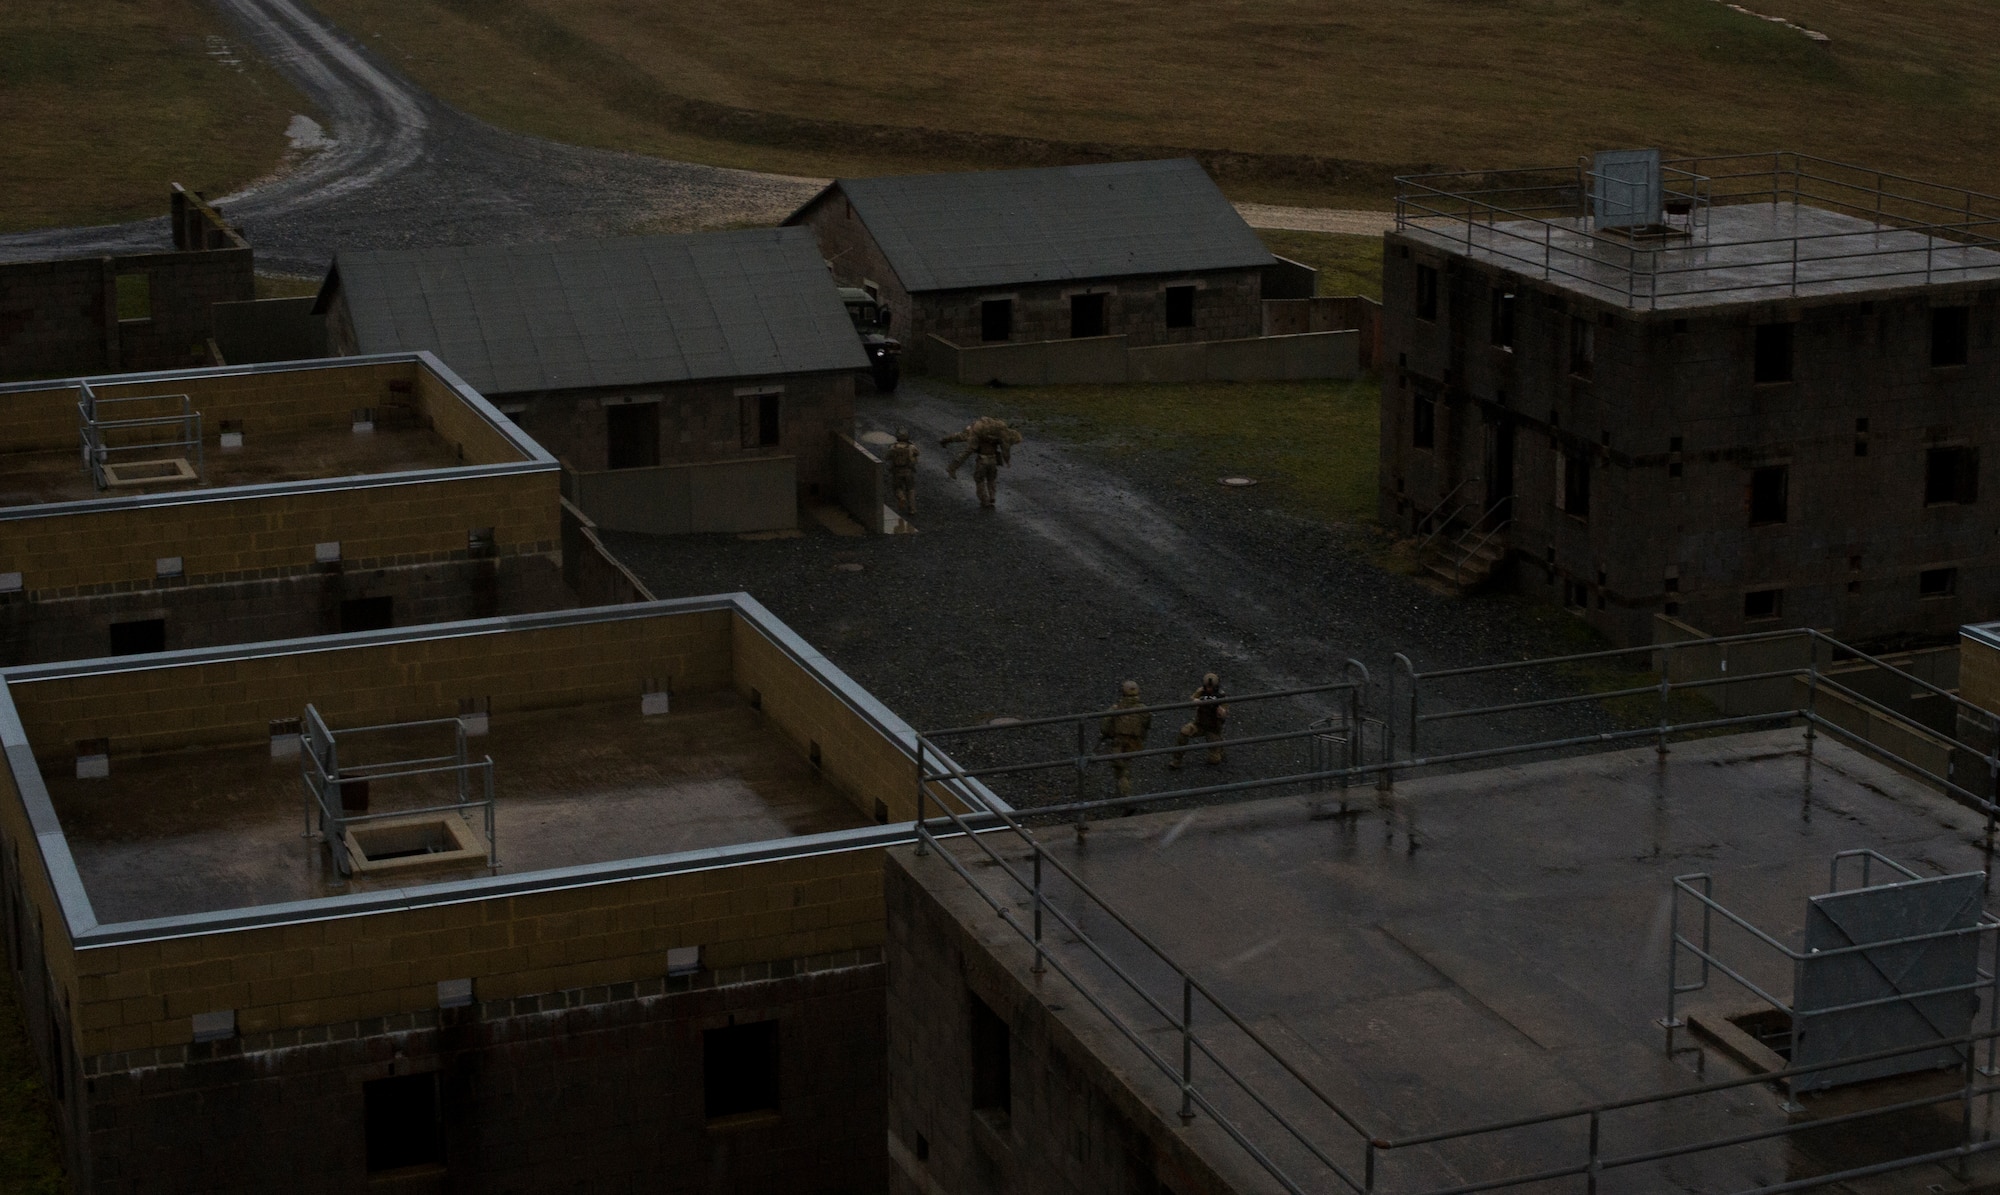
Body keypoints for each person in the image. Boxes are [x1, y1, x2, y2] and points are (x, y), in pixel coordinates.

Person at [940, 417, 1022, 509]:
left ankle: (946, 442)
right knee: (970, 452)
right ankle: (991, 497)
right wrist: (1007, 461)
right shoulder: (1002, 434)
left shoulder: (997, 430)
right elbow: (1005, 449)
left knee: (962, 438)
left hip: (977, 431)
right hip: (987, 450)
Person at [1098, 679, 1151, 798]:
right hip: (1135, 743)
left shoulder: (1116, 709)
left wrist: (1109, 734)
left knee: (1121, 770)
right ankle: (1121, 793)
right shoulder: (1144, 709)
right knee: (1125, 766)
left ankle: (1126, 798)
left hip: (1119, 743)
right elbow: (1146, 725)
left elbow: (1104, 726)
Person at [1169, 672, 1229, 768]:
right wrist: (1195, 701)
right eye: (1207, 687)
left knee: (1214, 760)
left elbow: (1225, 713)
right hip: (1199, 724)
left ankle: (1219, 748)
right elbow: (1191, 699)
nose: (1209, 689)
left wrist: (1220, 711)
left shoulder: (1221, 696)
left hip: (1213, 728)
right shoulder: (1201, 691)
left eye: (1211, 687)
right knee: (1184, 732)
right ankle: (1176, 759)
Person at [885, 428, 920, 515]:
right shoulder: (911, 447)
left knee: (897, 488)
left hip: (897, 471)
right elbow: (917, 453)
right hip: (908, 471)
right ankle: (912, 508)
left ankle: (901, 497)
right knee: (910, 489)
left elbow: (886, 457)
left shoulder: (893, 447)